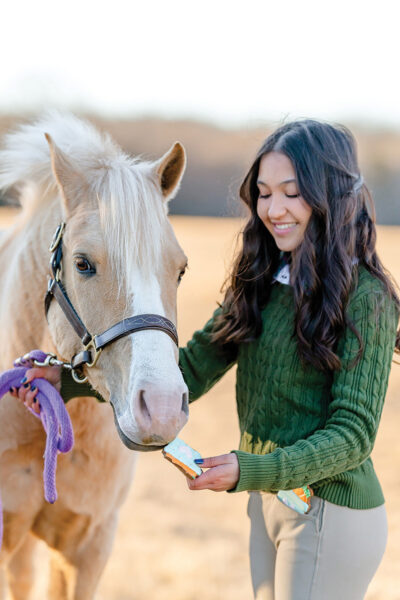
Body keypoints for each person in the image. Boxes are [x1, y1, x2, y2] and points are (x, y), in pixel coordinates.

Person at [13, 120, 400, 600]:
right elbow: (192, 368)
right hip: (270, 506)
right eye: (262, 193)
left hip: (332, 509)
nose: (273, 210)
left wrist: (247, 470)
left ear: (329, 194)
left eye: (291, 193)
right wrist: (64, 382)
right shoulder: (261, 284)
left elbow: (354, 436)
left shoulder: (368, 298)